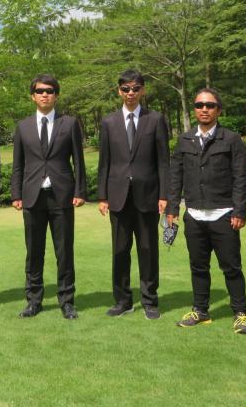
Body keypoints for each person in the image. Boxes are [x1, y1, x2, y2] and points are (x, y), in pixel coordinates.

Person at [166, 88, 246, 334]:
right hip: (194, 215)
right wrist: (172, 208)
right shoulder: (184, 140)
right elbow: (175, 177)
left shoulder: (231, 139)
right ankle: (200, 311)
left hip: (224, 215)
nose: (204, 109)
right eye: (199, 105)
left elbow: (241, 177)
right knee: (198, 266)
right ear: (194, 109)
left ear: (218, 110)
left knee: (231, 267)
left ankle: (241, 314)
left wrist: (240, 211)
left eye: (210, 105)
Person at [10, 75, 86, 320]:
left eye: (50, 91)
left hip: (62, 196)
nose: (45, 94)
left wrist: (80, 191)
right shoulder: (23, 127)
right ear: (33, 96)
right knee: (34, 252)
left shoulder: (69, 123)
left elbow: (79, 161)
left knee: (64, 252)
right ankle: (34, 301)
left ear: (56, 95)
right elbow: (18, 165)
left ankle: (67, 301)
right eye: (40, 91)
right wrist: (16, 194)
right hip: (32, 196)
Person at [97, 69, 169, 319]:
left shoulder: (155, 120)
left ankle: (150, 301)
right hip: (118, 197)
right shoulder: (108, 122)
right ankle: (123, 300)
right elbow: (104, 163)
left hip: (148, 195)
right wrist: (102, 196)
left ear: (143, 90)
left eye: (136, 88)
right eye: (126, 89)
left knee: (148, 250)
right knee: (120, 251)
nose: (131, 93)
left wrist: (164, 194)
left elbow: (163, 162)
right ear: (119, 91)